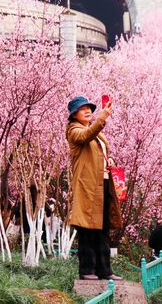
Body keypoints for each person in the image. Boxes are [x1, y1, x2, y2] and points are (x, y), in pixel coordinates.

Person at [67, 96, 123, 281]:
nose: (87, 111)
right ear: (74, 114)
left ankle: (105, 271)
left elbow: (99, 151)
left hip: (103, 184)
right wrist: (102, 117)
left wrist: (109, 160)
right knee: (88, 230)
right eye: (82, 109)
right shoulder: (74, 130)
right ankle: (87, 270)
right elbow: (85, 136)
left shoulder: (98, 133)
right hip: (88, 187)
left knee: (102, 229)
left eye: (89, 107)